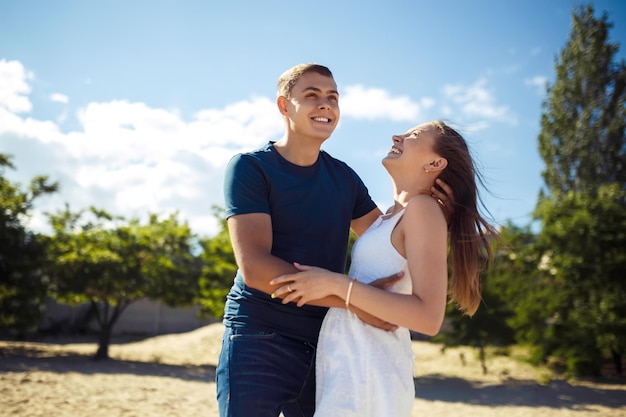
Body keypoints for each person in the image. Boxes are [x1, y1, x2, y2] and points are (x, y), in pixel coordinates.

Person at [216, 64, 453, 417]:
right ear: (284, 106)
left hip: (326, 343)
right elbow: (255, 268)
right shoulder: (251, 168)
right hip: (259, 334)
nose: (325, 105)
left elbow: (386, 238)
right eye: (311, 96)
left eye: (333, 98)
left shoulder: (344, 179)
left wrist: (433, 205)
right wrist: (354, 302)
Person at [271, 120, 497, 417]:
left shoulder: (422, 210)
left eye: (414, 135)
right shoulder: (390, 217)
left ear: (435, 162)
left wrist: (337, 285)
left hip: (370, 373)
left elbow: (429, 317)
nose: (397, 136)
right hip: (352, 368)